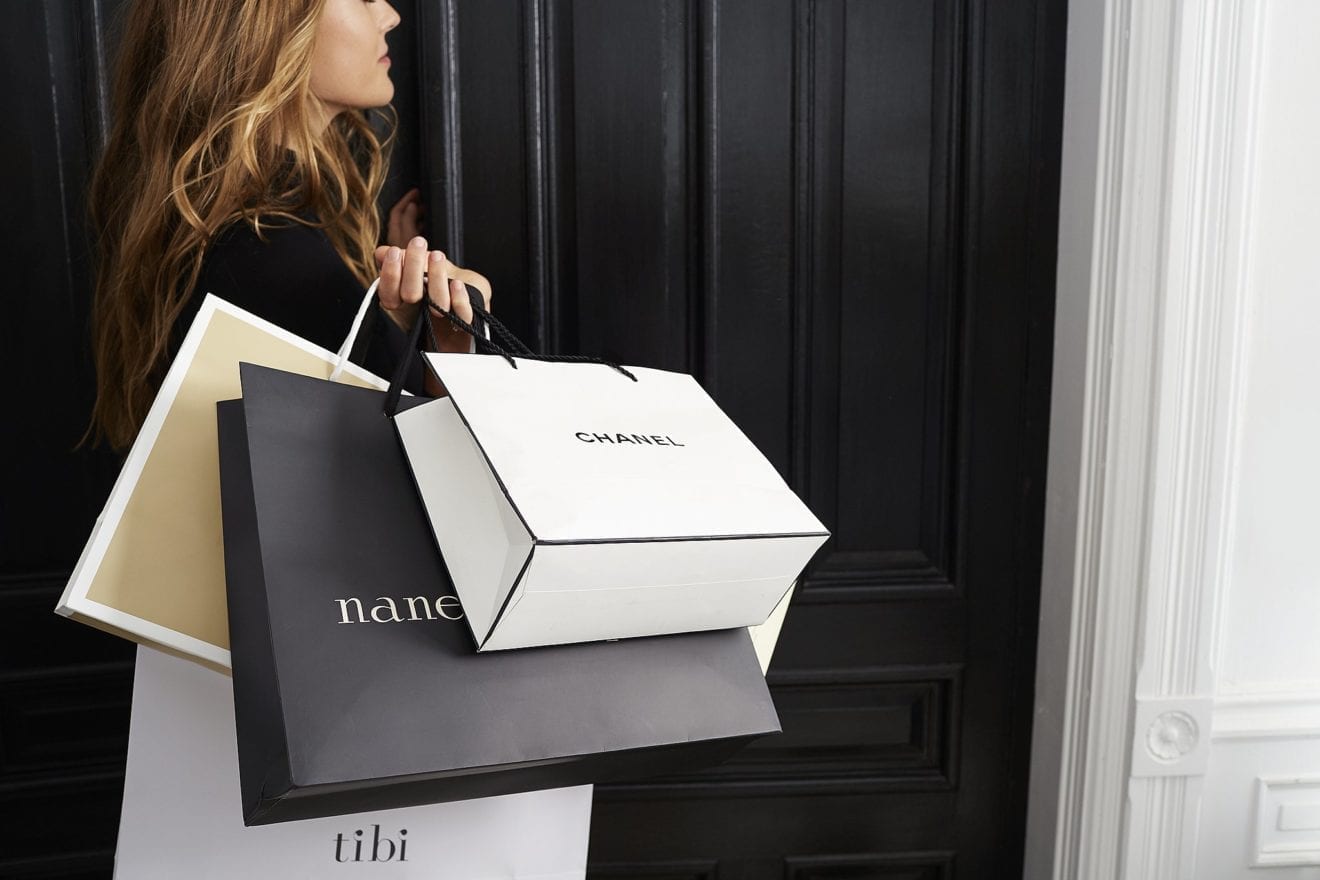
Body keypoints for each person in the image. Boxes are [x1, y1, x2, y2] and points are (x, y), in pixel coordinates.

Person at [86, 0, 488, 449]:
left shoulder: (226, 222)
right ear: (269, 25)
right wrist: (456, 344)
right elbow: (429, 458)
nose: (390, 15)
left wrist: (395, 316)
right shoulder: (277, 257)